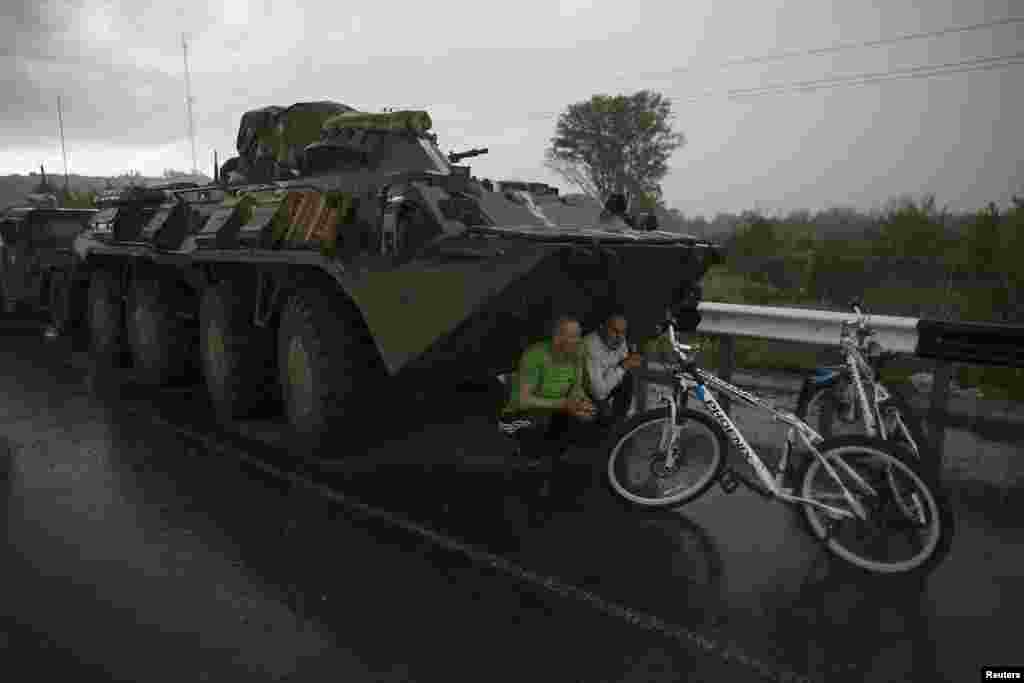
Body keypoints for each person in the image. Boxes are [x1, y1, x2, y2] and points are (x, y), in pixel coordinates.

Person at [499, 315, 597, 470]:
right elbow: (522, 400)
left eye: (579, 335)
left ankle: (552, 454)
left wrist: (583, 402)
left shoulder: (577, 352)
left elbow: (576, 388)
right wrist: (565, 404)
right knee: (538, 427)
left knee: (591, 414)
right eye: (572, 336)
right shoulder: (535, 355)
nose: (578, 341)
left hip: (555, 409)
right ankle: (525, 453)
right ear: (557, 338)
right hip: (520, 413)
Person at [584, 313, 643, 425]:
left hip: (605, 383)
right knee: (600, 418)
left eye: (623, 332)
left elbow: (624, 361)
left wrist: (627, 364)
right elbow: (598, 393)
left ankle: (619, 421)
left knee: (627, 378)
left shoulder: (619, 340)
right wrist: (623, 366)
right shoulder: (590, 346)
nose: (620, 337)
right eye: (615, 331)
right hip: (586, 392)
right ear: (602, 328)